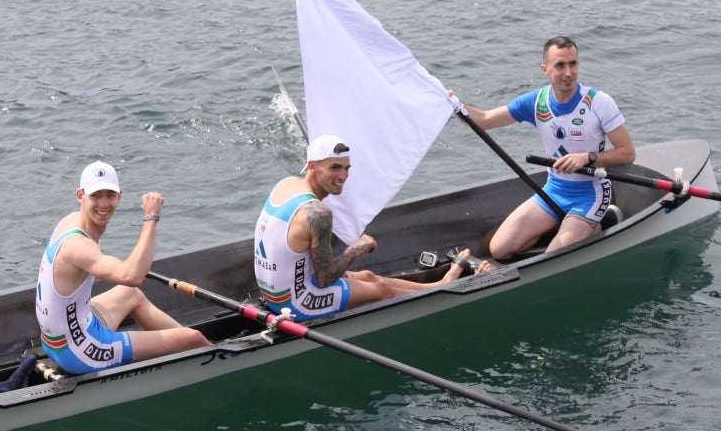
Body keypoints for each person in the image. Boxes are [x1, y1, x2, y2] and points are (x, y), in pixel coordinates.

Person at [254, 135, 489, 320]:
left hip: (274, 292)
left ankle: (439, 286)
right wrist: (358, 248)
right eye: (335, 167)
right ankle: (441, 293)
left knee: (368, 276)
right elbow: (325, 278)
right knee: (382, 290)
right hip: (296, 303)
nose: (343, 175)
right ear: (313, 166)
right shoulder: (317, 213)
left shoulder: (285, 184)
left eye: (347, 168)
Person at [459, 36, 636, 259]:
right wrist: (456, 105)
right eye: (560, 65)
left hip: (590, 194)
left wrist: (588, 158)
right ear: (545, 69)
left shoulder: (599, 103)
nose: (568, 73)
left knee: (554, 257)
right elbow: (484, 120)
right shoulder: (536, 101)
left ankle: (602, 219)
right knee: (500, 249)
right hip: (554, 190)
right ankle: (572, 225)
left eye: (573, 64)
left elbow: (627, 153)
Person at [35, 161, 209, 374]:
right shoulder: (77, 245)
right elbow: (131, 275)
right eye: (96, 195)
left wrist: (128, 272)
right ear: (80, 196)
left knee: (131, 293)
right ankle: (215, 359)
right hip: (80, 349)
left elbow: (99, 269)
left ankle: (185, 350)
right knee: (194, 337)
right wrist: (151, 217)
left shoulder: (70, 222)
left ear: (119, 197)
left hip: (65, 334)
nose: (103, 204)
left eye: (110, 195)